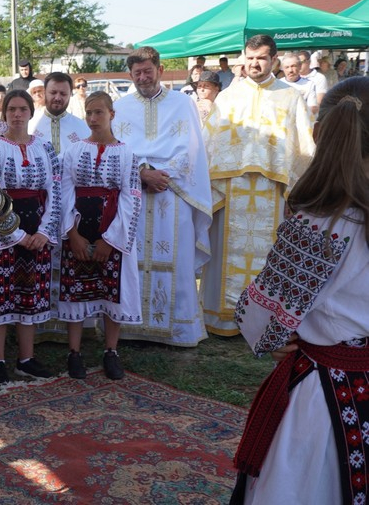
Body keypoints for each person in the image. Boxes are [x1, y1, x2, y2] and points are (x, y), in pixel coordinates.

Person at [230, 77, 369, 505]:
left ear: (319, 132)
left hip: (324, 402)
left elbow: (261, 320)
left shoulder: (319, 224)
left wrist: (274, 336)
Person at [201, 35, 315, 336]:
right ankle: (222, 319)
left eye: (261, 58)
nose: (254, 63)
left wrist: (297, 192)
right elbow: (208, 143)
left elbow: (304, 147)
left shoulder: (290, 97)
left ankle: (263, 321)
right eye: (250, 58)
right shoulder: (228, 97)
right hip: (230, 189)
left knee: (269, 256)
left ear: (274, 60)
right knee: (225, 255)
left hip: (272, 191)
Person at [113, 46, 212, 347]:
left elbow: (192, 149)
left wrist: (161, 175)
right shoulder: (120, 107)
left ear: (160, 70)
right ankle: (131, 325)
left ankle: (178, 329)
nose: (143, 77)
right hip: (134, 194)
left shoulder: (183, 103)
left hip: (173, 192)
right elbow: (116, 149)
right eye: (137, 73)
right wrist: (142, 173)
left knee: (176, 259)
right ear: (130, 75)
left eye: (148, 71)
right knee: (132, 258)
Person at [0, 89, 61, 385]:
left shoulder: (45, 147)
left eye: (23, 109)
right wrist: (17, 235)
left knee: (30, 294)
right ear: (4, 114)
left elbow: (55, 191)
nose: (17, 114)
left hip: (38, 228)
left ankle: (26, 359)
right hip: (4, 231)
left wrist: (44, 231)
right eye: (11, 109)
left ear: (31, 113)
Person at [58, 91, 142, 380]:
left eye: (99, 112)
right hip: (80, 229)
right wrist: (72, 233)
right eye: (89, 113)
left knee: (111, 292)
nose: (93, 119)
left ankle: (111, 351)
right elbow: (64, 192)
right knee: (75, 291)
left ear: (111, 114)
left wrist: (111, 239)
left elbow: (131, 198)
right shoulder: (73, 151)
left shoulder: (127, 153)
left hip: (111, 231)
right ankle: (74, 352)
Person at [28, 71, 88, 156]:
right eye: (53, 93)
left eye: (63, 94)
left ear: (70, 95)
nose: (57, 98)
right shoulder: (30, 126)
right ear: (45, 93)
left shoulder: (82, 128)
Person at [279, 52, 318, 117]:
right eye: (287, 67)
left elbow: (312, 108)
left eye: (293, 66)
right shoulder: (278, 84)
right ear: (283, 69)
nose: (290, 70)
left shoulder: (309, 84)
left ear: (300, 66)